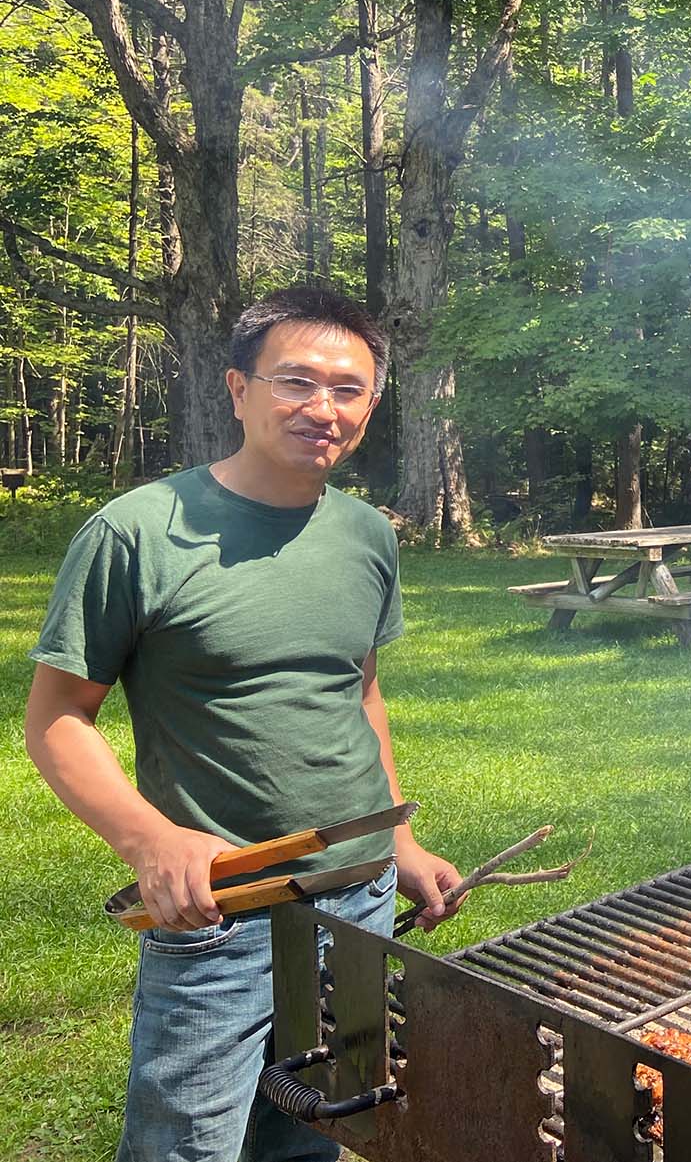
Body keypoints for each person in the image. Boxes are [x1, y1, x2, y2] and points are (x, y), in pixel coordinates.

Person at [24, 285, 463, 1162]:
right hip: (226, 909)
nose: (322, 408)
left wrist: (400, 841)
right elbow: (57, 721)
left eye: (349, 390)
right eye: (295, 382)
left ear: (372, 405)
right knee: (188, 1147)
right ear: (237, 389)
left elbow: (358, 693)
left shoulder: (367, 534)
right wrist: (152, 841)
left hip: (361, 898)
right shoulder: (138, 532)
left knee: (314, 1131)